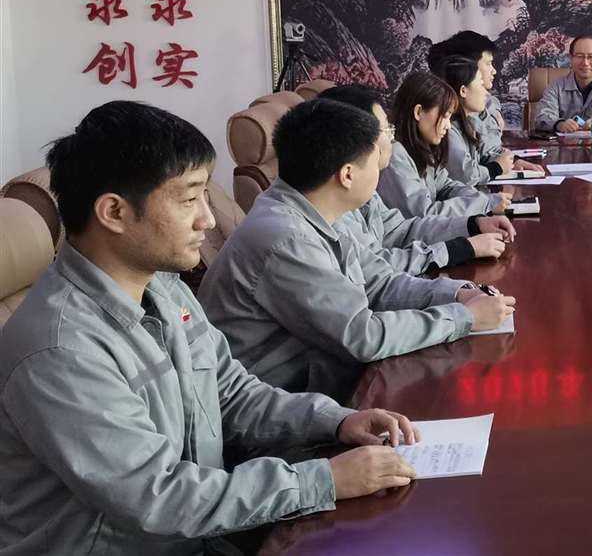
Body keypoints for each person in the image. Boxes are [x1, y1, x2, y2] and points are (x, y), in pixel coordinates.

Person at [0, 101, 423, 553]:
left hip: (198, 533)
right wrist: (323, 480)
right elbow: (156, 494)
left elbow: (233, 393)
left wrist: (336, 421)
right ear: (114, 213)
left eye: (206, 195)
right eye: (189, 199)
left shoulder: (164, 288)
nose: (208, 218)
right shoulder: (60, 348)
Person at [200, 98, 516, 402]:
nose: (381, 169)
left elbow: (378, 282)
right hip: (288, 406)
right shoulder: (287, 237)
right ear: (348, 174)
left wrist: (457, 294)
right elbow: (362, 335)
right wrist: (463, 317)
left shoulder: (320, 210)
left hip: (328, 382)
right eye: (374, 159)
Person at [320, 83, 517, 275]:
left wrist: (473, 224)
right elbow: (377, 271)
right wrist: (463, 243)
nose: (391, 139)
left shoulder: (419, 152)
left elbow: (399, 231)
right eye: (386, 130)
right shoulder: (337, 207)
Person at [381, 71, 512, 219]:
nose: (448, 126)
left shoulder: (422, 148)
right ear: (419, 112)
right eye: (444, 116)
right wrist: (482, 205)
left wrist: (482, 200)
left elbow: (446, 187)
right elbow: (425, 215)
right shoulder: (395, 155)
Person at [432, 54, 543, 183]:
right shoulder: (447, 129)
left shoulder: (470, 121)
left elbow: (484, 154)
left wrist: (512, 161)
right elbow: (465, 175)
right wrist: (496, 168)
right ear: (463, 91)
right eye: (481, 84)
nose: (486, 93)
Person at [428, 30, 506, 156]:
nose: (494, 71)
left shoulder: (482, 102)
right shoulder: (453, 118)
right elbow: (482, 157)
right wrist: (499, 164)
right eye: (488, 63)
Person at [533, 35, 592, 133]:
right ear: (570, 58)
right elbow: (542, 117)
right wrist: (559, 124)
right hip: (565, 142)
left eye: (591, 56)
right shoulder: (555, 87)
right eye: (579, 56)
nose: (585, 63)